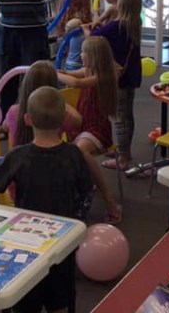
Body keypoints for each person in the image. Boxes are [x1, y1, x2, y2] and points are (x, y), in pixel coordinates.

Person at [0, 86, 94, 313]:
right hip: (61, 241)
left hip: (26, 244)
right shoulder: (74, 154)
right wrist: (78, 218)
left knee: (26, 299)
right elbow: (86, 189)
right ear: (64, 120)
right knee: (61, 301)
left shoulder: (18, 156)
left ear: (27, 119)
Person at [58, 36, 123, 224]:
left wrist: (55, 75)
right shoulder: (88, 70)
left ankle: (110, 201)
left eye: (84, 52)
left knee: (80, 149)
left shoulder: (104, 75)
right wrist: (53, 70)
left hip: (97, 130)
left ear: (94, 56)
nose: (81, 55)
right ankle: (82, 185)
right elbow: (69, 73)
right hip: (83, 126)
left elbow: (76, 83)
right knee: (69, 147)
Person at [92, 0, 142, 172]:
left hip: (118, 78)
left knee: (119, 117)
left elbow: (93, 38)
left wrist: (96, 23)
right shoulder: (136, 23)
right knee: (128, 114)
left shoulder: (115, 26)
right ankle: (125, 152)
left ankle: (122, 158)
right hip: (132, 75)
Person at [1, 60, 82, 147]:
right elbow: (79, 120)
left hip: (19, 159)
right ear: (54, 86)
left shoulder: (13, 111)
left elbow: (4, 127)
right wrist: (60, 102)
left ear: (26, 84)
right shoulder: (59, 115)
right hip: (51, 159)